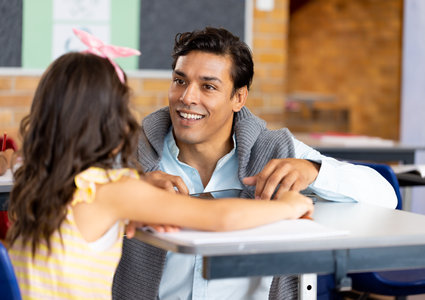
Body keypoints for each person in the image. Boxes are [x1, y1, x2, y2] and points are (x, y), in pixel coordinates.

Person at [6, 30, 314, 300]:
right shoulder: (109, 191)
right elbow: (221, 217)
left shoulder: (34, 185)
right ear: (111, 120)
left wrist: (137, 194)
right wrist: (289, 206)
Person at [112, 27, 397, 299]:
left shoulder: (274, 150)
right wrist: (127, 188)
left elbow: (384, 196)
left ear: (239, 98)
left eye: (208, 86)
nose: (187, 97)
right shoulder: (132, 153)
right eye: (180, 81)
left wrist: (313, 170)